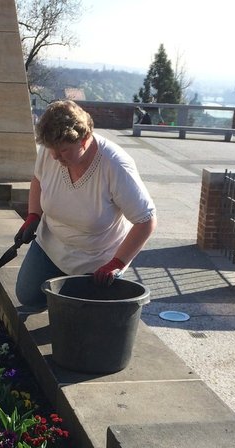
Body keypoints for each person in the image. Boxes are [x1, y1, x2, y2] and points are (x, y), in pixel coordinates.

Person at [14, 100, 157, 308]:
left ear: (84, 139)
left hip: (98, 259)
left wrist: (117, 263)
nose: (54, 156)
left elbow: (146, 220)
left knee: (84, 317)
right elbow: (38, 180)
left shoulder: (115, 166)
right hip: (52, 244)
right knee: (27, 296)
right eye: (51, 149)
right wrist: (33, 216)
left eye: (63, 151)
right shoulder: (51, 150)